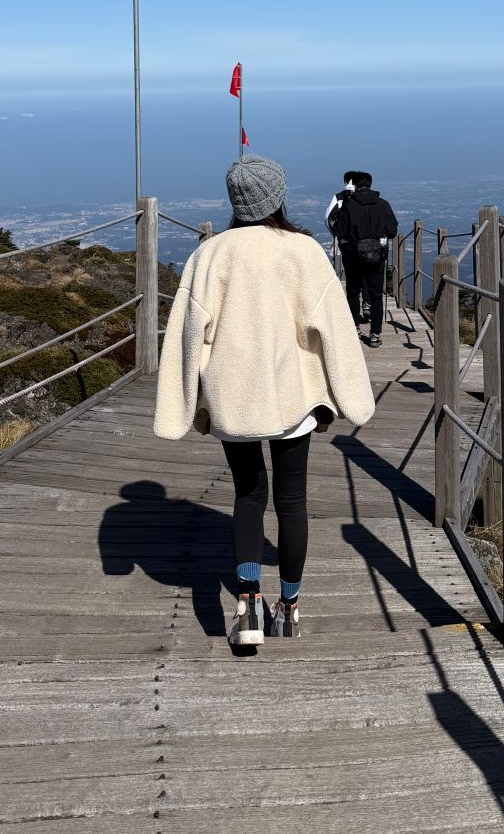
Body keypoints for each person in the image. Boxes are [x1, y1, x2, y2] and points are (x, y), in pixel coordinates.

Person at [154, 155, 375, 646]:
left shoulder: (210, 254)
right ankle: (289, 607)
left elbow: (188, 335)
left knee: (248, 496)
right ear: (278, 197)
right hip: (294, 402)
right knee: (291, 501)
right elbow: (334, 332)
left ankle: (247, 603)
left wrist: (186, 403)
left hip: (234, 402)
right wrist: (348, 399)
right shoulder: (302, 251)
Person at [327, 170, 399, 347]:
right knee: (375, 295)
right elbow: (392, 231)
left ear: (356, 186)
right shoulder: (383, 205)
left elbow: (340, 230)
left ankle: (355, 328)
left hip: (353, 255)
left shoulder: (349, 205)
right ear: (371, 185)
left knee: (353, 291)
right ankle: (375, 334)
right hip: (377, 256)